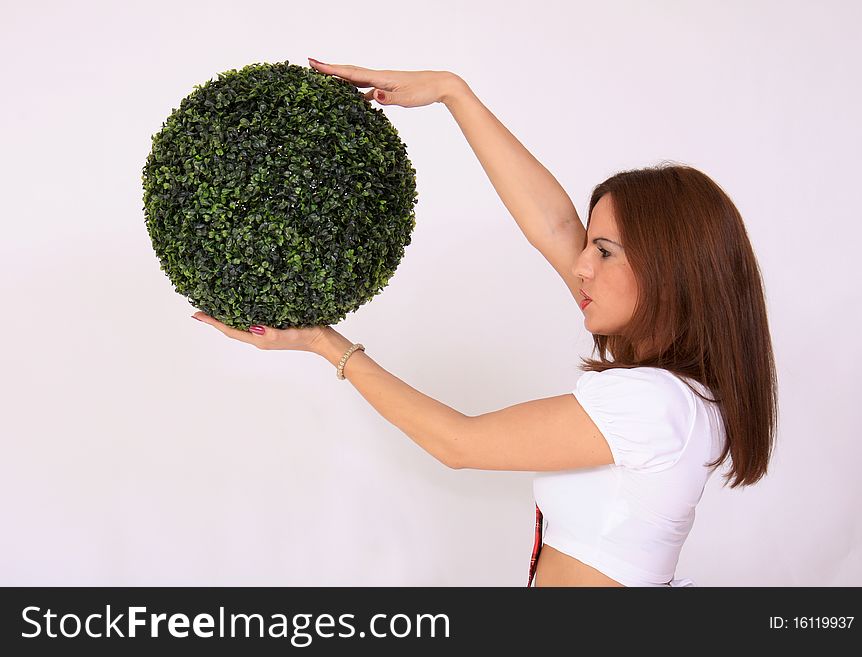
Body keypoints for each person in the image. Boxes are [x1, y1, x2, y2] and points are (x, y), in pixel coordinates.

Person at [193, 59, 777, 587]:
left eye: (603, 250)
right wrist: (453, 94)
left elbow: (458, 443)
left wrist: (327, 345)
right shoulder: (681, 393)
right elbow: (554, 224)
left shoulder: (653, 404)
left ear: (668, 270)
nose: (579, 265)